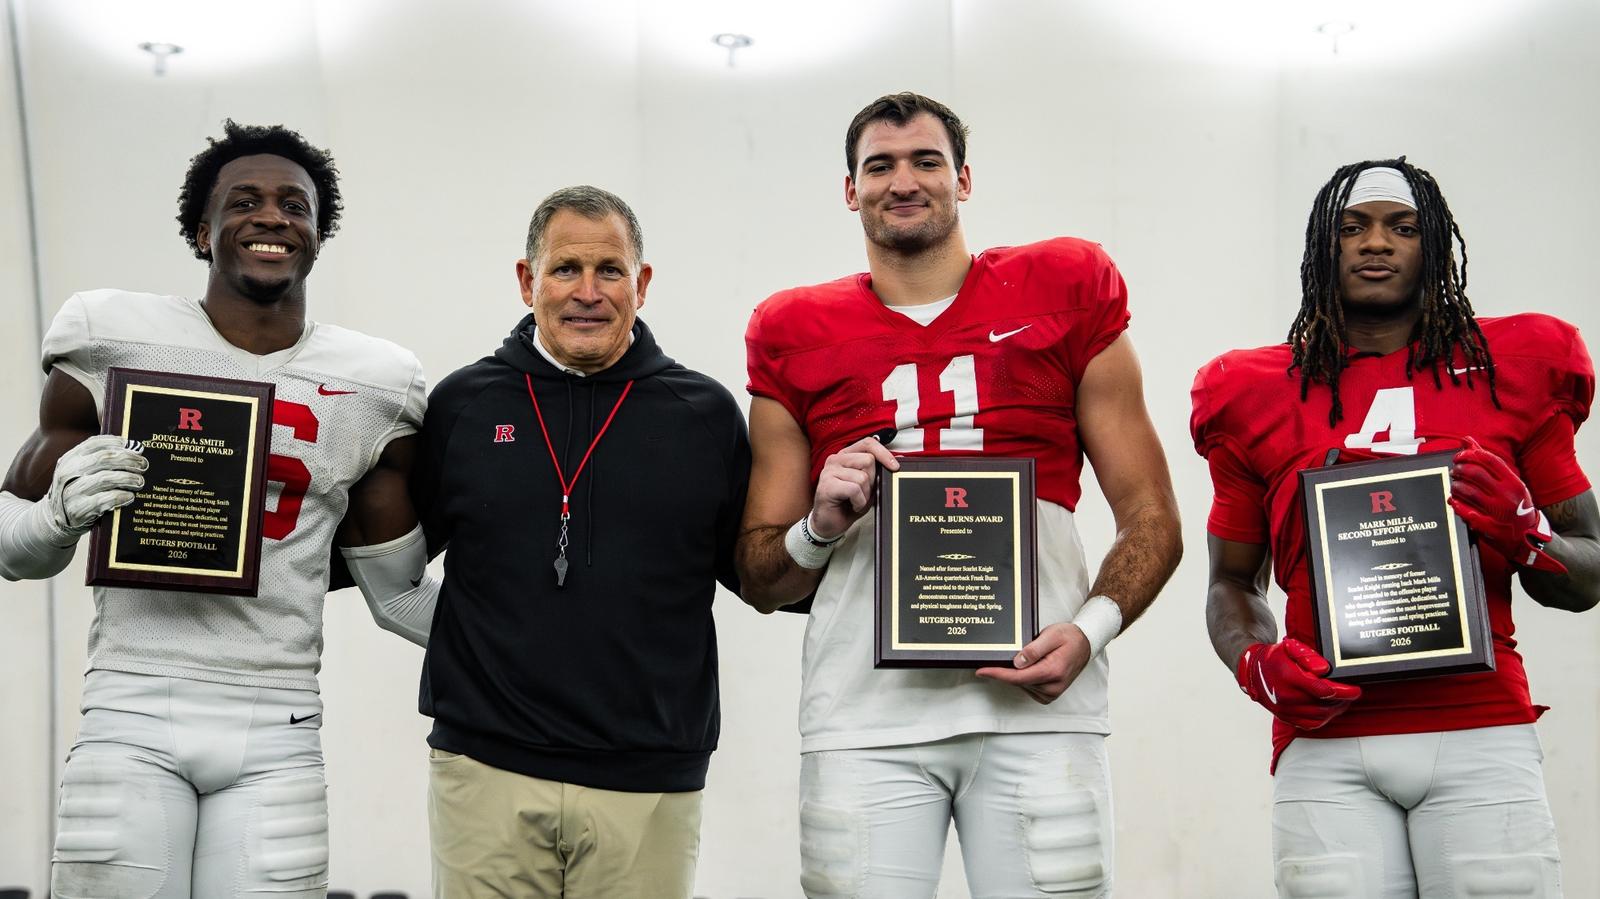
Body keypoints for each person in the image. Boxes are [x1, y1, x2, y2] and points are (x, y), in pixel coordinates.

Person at [738, 92, 1182, 898]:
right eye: (880, 165)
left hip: (1038, 706)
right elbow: (762, 577)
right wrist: (819, 525)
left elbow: (1152, 517)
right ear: (851, 190)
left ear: (964, 179)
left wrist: (1088, 633)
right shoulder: (792, 329)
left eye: (926, 161)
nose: (904, 181)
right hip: (865, 717)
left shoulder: (1066, 283)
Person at [0, 121, 427, 898]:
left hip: (279, 718)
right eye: (245, 201)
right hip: (130, 702)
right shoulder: (111, 335)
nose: (272, 217)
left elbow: (398, 593)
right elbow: (11, 547)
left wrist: (556, 639)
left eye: (294, 205)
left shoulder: (377, 382)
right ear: (202, 230)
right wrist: (54, 516)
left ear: (318, 233)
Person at [1190, 158, 1599, 897]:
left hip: (1479, 725)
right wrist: (1255, 662)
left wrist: (1528, 531)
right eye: (1353, 227)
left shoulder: (1512, 368)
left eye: (1402, 227)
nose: (1375, 243)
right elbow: (1231, 579)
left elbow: (1590, 574)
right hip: (1326, 736)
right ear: (1323, 246)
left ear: (1432, 245)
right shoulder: (1250, 389)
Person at [378, 185, 749, 898]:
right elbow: (389, 561)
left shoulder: (703, 415)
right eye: (565, 269)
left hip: (648, 779)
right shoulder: (465, 404)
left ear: (642, 283)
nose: (587, 292)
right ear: (527, 281)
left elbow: (760, 576)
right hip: (484, 770)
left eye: (610, 270)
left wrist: (824, 527)